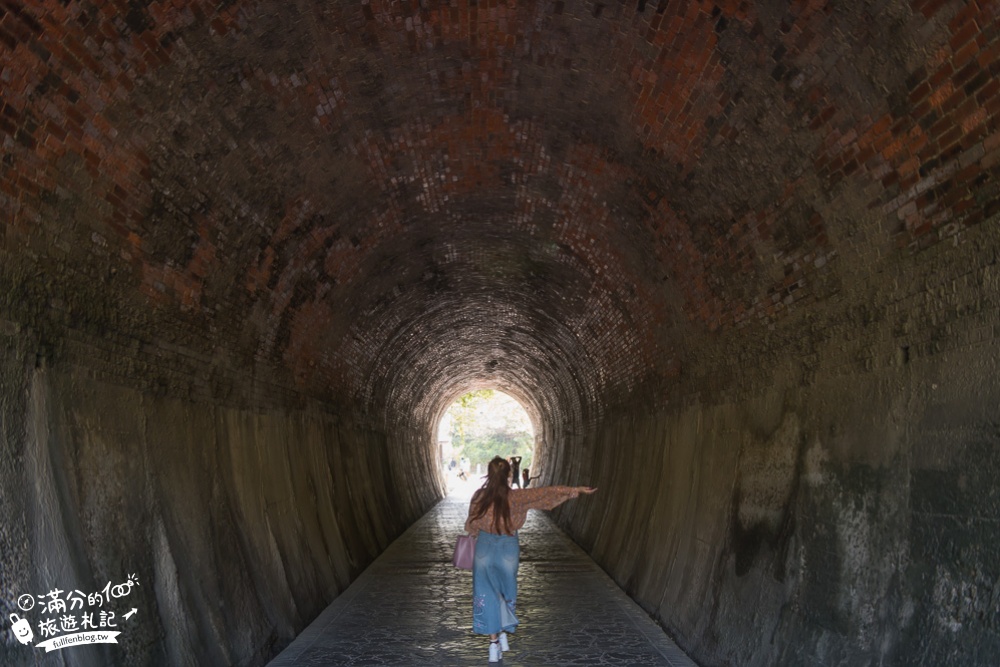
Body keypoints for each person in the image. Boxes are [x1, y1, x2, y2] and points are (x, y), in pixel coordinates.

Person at [464, 456, 597, 662]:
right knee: (506, 591)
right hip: (508, 548)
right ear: (509, 474)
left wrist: (477, 533)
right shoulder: (518, 497)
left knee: (487, 593)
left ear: (489, 475)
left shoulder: (479, 497)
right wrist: (575, 490)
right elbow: (546, 494)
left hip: (484, 548)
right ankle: (503, 632)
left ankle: (493, 645)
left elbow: (471, 525)